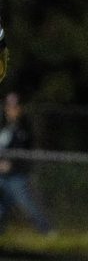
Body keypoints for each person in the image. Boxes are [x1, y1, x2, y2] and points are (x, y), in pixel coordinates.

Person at [0, 91, 53, 236]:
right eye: (8, 107)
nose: (11, 110)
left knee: (27, 204)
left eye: (14, 107)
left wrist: (10, 164)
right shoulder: (4, 127)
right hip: (2, 176)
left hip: (16, 175)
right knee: (2, 207)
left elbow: (23, 152)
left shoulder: (24, 128)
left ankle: (47, 231)